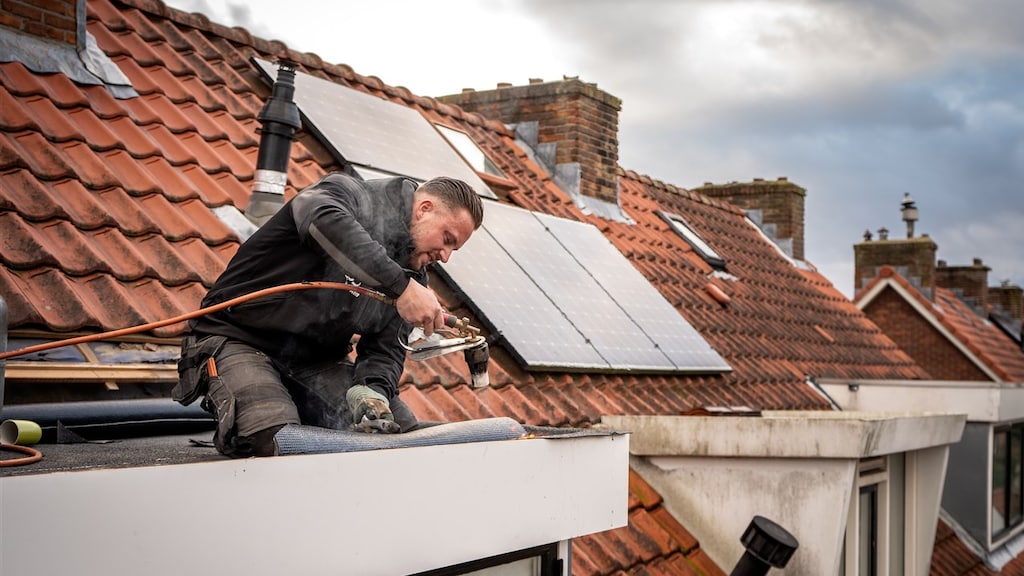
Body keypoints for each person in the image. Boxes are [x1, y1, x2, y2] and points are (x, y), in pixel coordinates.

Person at [173, 173, 484, 457]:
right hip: (237, 338)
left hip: (314, 361)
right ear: (425, 208)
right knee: (273, 438)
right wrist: (400, 287)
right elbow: (320, 217)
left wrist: (371, 391)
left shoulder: (413, 277)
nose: (445, 256)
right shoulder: (347, 194)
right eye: (447, 240)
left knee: (397, 437)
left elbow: (385, 350)